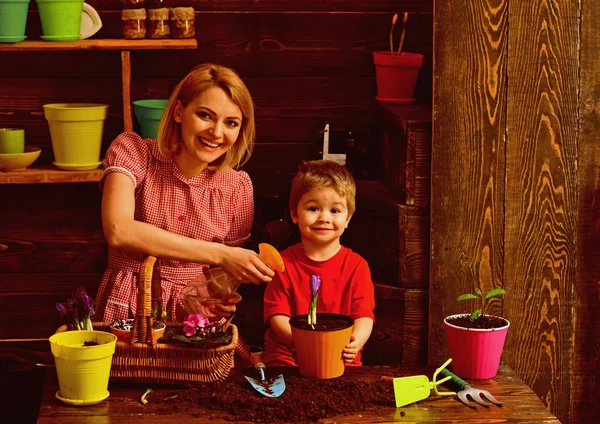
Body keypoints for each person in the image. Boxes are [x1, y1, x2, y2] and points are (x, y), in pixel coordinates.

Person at [95, 63, 274, 323]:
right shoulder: (135, 153)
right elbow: (118, 230)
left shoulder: (237, 188)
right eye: (205, 115)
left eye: (231, 123)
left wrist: (217, 301)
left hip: (191, 320)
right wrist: (221, 253)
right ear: (179, 112)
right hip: (130, 310)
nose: (217, 133)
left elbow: (218, 283)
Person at [262, 160, 375, 366]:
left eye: (335, 211)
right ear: (295, 214)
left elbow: (364, 316)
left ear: (348, 218)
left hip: (339, 356)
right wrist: (303, 342)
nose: (324, 218)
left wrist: (356, 341)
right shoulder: (282, 263)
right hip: (289, 355)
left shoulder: (357, 266)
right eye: (313, 208)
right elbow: (277, 315)